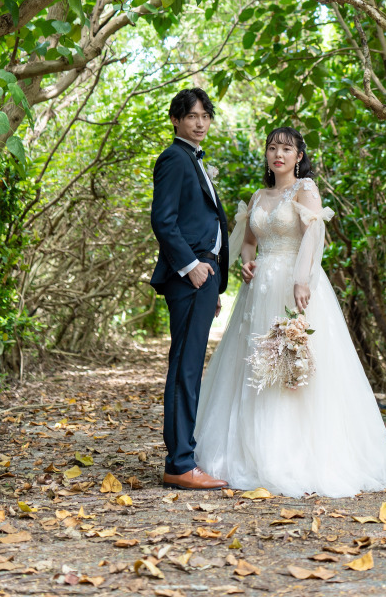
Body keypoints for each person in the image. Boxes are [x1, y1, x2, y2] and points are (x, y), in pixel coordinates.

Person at [194, 126, 386, 497]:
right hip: (259, 290)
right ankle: (251, 451)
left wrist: (302, 280)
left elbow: (313, 237)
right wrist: (247, 264)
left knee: (297, 364)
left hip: (295, 286)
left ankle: (297, 454)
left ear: (299, 156)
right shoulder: (258, 195)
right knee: (255, 365)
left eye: (286, 148)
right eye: (272, 148)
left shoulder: (305, 189)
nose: (277, 154)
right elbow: (249, 242)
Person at [150, 87, 229, 491]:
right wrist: (191, 266)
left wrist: (212, 281)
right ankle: (180, 464)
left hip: (203, 279)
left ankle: (183, 458)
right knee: (184, 369)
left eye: (205, 116)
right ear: (176, 120)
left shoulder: (194, 161)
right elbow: (163, 221)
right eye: (192, 116)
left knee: (190, 369)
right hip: (190, 274)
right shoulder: (174, 158)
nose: (199, 123)